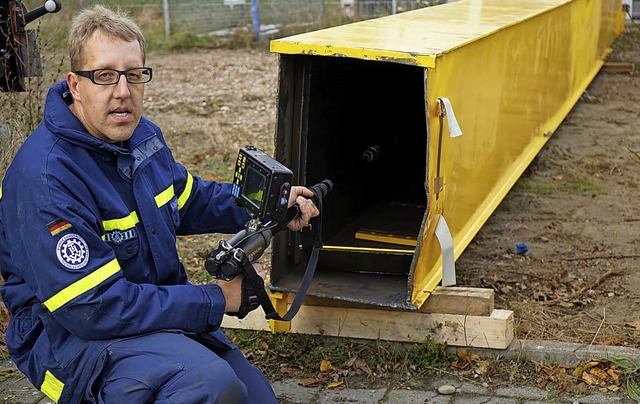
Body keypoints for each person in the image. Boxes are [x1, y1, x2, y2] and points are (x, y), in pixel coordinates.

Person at [0, 5, 319, 403]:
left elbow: (189, 199)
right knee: (208, 386)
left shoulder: (141, 139)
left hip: (150, 313)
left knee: (254, 397)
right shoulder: (47, 178)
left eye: (134, 75)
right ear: (75, 85)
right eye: (104, 76)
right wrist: (217, 298)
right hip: (67, 338)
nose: (122, 91)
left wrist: (271, 203)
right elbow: (93, 307)